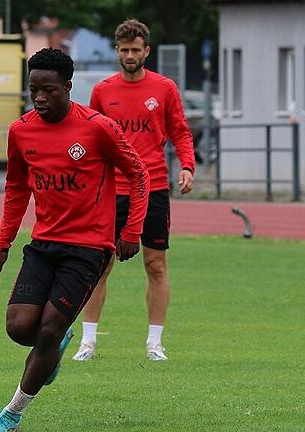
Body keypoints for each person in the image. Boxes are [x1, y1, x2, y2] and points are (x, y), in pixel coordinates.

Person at [0, 48, 149, 432]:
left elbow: (138, 173)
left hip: (88, 249)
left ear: (68, 88)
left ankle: (12, 413)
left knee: (47, 329)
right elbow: (15, 190)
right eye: (33, 90)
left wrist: (131, 230)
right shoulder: (21, 131)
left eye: (49, 90)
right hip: (43, 245)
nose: (39, 97)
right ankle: (54, 349)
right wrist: (2, 245)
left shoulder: (97, 128)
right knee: (20, 327)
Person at [72, 19, 195, 363]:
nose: (129, 55)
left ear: (146, 51)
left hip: (153, 188)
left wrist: (187, 165)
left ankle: (155, 344)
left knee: (155, 264)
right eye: (124, 50)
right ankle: (88, 342)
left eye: (135, 50)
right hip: (112, 191)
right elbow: (91, 137)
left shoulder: (165, 88)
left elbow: (181, 131)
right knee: (99, 264)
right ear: (117, 51)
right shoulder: (103, 90)